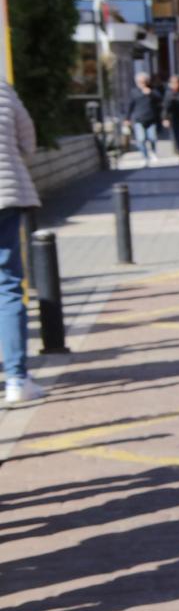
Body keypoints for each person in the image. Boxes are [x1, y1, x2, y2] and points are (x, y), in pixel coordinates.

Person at [0, 76, 43, 405]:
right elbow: (28, 141)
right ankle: (16, 379)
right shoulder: (2, 88)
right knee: (8, 286)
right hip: (5, 197)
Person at [123, 72, 161, 167]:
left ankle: (153, 153)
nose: (142, 84)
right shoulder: (134, 92)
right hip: (139, 119)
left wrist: (151, 93)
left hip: (151, 118)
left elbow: (160, 100)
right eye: (140, 82)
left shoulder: (152, 90)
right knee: (141, 139)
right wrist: (127, 118)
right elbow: (129, 105)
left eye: (144, 82)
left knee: (152, 138)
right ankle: (145, 157)